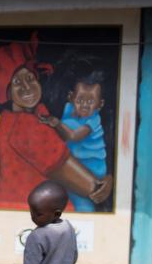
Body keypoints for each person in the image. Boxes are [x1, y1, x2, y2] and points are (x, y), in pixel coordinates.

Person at [0, 38, 112, 210]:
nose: (27, 87)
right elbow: (93, 189)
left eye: (30, 78)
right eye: (17, 82)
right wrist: (108, 180)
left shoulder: (28, 115)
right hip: (39, 219)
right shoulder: (26, 127)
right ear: (7, 92)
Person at [39, 71, 107, 212]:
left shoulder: (93, 119)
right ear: (71, 98)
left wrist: (56, 123)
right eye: (80, 100)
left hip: (90, 168)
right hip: (72, 163)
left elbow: (74, 136)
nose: (84, 105)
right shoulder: (68, 109)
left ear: (99, 105)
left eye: (90, 101)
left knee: (82, 204)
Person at [15, 180, 78, 264]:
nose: (33, 217)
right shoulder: (69, 228)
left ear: (57, 213)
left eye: (38, 214)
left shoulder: (36, 236)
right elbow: (73, 256)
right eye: (31, 211)